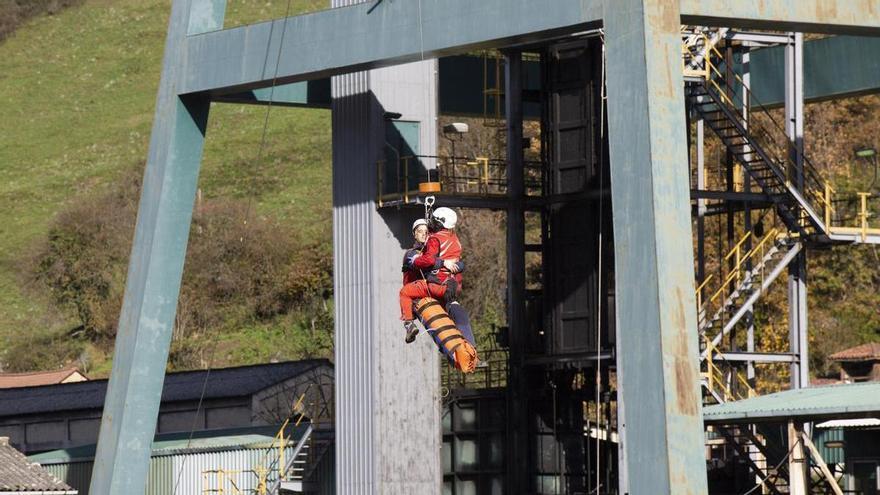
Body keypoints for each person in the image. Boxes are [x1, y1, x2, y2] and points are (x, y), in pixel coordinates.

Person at [399, 208, 463, 343]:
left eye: (425, 232)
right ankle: (409, 324)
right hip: (418, 293)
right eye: (419, 231)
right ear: (414, 234)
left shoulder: (434, 247)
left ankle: (455, 335)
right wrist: (443, 262)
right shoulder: (412, 253)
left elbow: (436, 260)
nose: (423, 234)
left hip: (431, 287)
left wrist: (458, 265)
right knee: (404, 292)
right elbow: (421, 262)